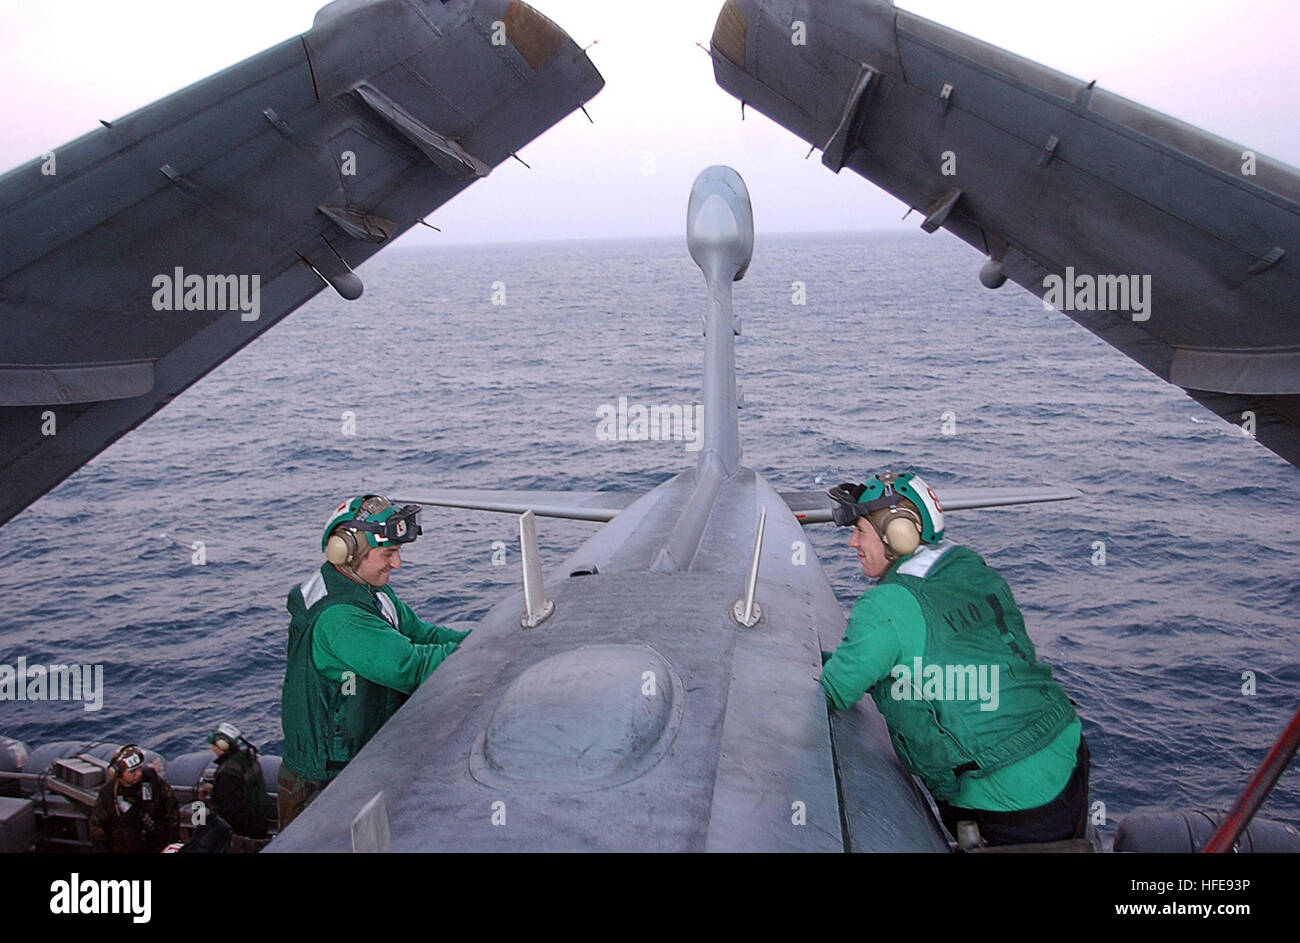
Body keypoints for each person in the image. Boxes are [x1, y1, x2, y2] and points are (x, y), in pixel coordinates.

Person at [821, 471, 1089, 848]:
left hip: (1009, 796)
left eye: (860, 531)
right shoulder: (964, 564)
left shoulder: (886, 605)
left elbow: (836, 689)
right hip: (1067, 751)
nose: (852, 543)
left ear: (896, 533)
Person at [278, 494, 469, 828]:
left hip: (360, 762)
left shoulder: (369, 590)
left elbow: (423, 635)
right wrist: (495, 654)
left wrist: (488, 637)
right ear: (346, 553)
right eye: (388, 554)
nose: (397, 564)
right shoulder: (341, 618)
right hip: (326, 785)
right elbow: (413, 667)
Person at [89, 745, 181, 853]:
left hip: (158, 845)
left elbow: (171, 808)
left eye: (139, 768)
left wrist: (172, 841)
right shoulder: (108, 795)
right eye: (133, 771)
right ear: (118, 773)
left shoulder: (151, 779)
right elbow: (98, 830)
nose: (139, 773)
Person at [203, 721, 273, 849]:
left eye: (213, 745)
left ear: (222, 745)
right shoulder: (247, 758)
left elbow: (231, 810)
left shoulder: (228, 773)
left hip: (244, 833)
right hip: (260, 823)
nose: (212, 748)